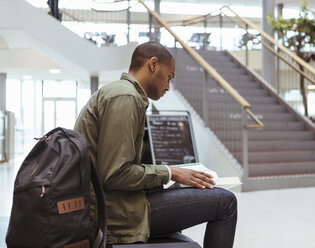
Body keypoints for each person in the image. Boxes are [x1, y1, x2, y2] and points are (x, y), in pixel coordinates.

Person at [74, 41, 237, 247]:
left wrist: (169, 177)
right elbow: (115, 174)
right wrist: (171, 173)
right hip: (117, 214)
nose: (168, 87)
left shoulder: (121, 93)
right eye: (169, 77)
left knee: (192, 192)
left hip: (113, 204)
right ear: (153, 64)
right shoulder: (126, 97)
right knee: (226, 203)